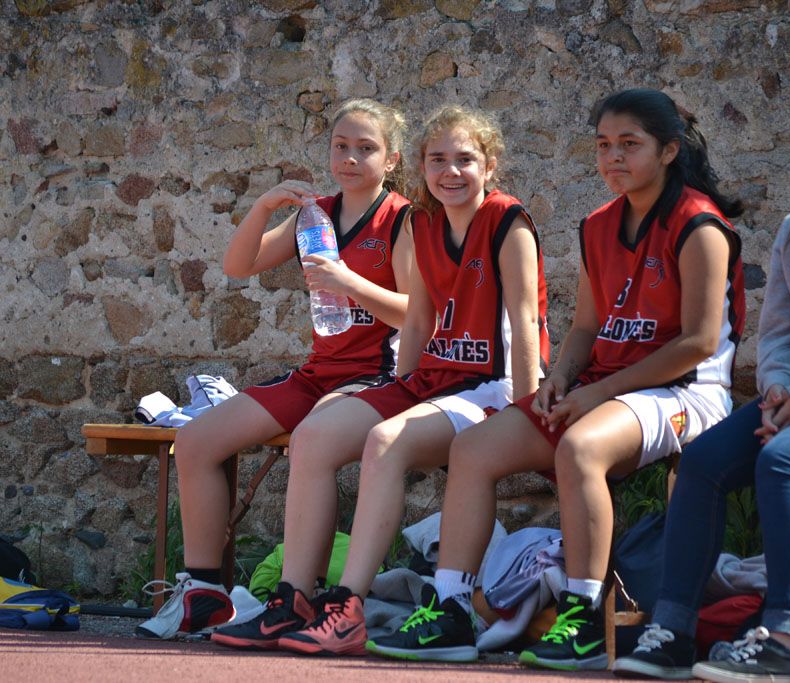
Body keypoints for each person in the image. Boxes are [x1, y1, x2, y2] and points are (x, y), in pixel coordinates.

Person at [367, 88, 747, 669]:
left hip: (685, 390)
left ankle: (584, 613)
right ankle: (451, 609)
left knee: (580, 447)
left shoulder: (698, 224)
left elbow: (696, 342)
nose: (613, 157)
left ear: (669, 150)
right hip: (605, 387)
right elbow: (587, 326)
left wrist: (595, 392)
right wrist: (560, 376)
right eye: (604, 145)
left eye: (630, 144)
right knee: (473, 449)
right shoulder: (598, 225)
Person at [211, 105, 549, 655]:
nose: (450, 171)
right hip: (432, 379)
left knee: (385, 441)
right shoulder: (425, 221)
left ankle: (347, 607)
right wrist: (404, 388)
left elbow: (526, 322)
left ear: (490, 165)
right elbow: (417, 321)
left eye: (465, 159)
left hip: (491, 385)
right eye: (437, 159)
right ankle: (293, 600)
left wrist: (528, 410)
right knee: (312, 438)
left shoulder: (507, 222)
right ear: (419, 165)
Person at [135, 98, 413, 639]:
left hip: (379, 375)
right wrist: (263, 207)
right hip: (319, 372)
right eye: (340, 146)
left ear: (392, 159)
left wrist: (349, 283)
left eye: (365, 148)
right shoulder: (316, 213)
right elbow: (238, 265)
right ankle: (204, 594)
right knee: (195, 441)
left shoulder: (403, 219)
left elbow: (415, 313)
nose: (350, 158)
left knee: (310, 440)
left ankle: (297, 598)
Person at [612, 194, 790, 682]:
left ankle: (789, 638)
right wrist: (777, 388)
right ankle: (674, 631)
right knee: (704, 460)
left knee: (784, 460)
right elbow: (779, 333)